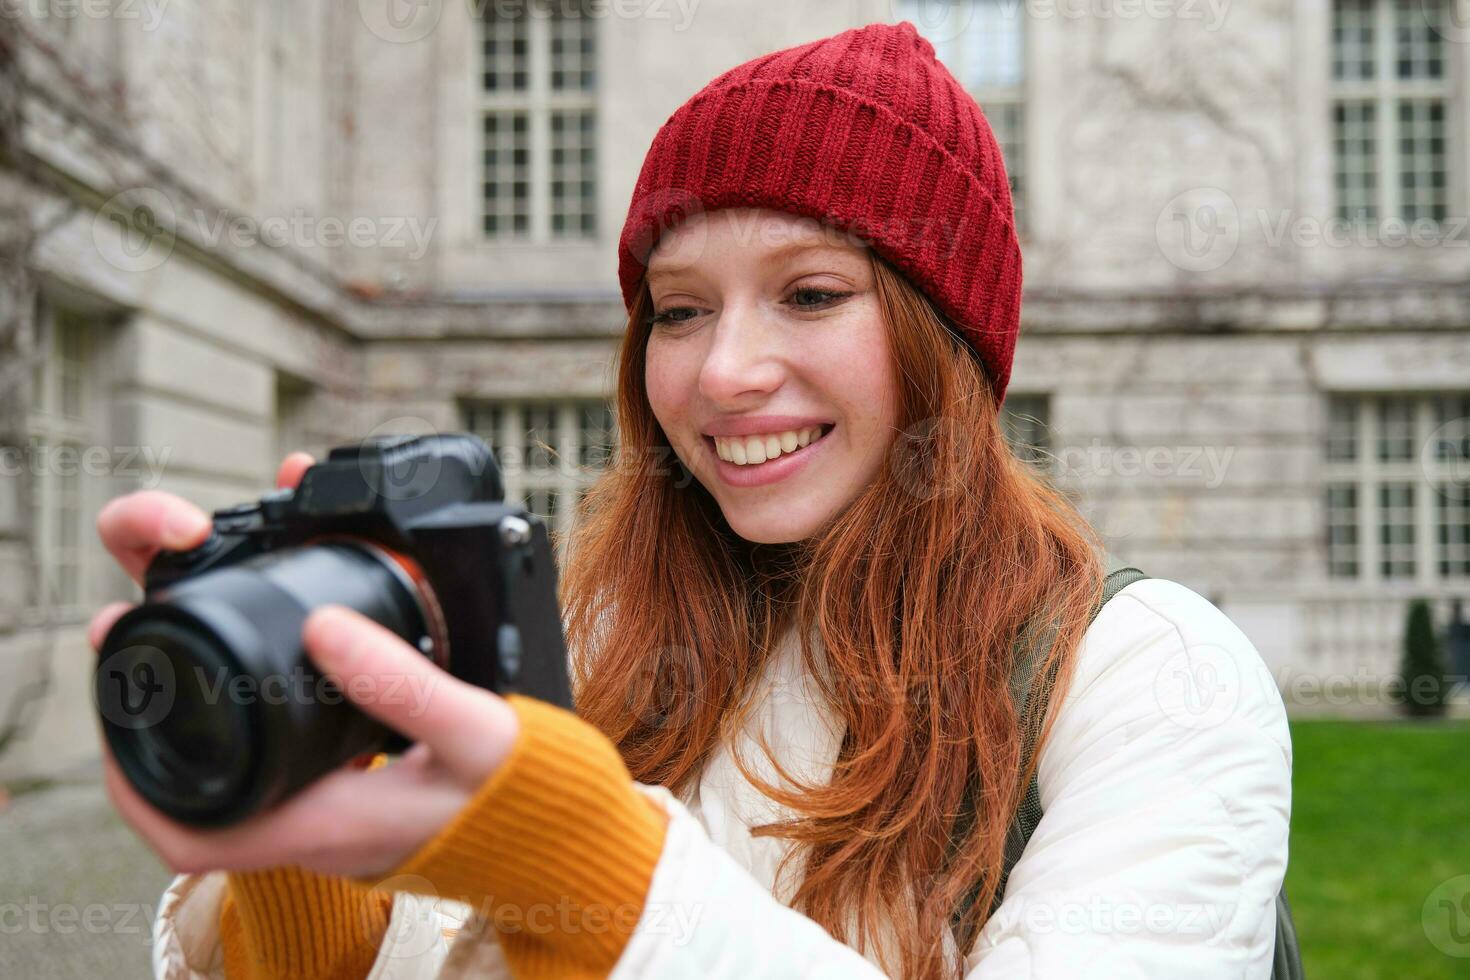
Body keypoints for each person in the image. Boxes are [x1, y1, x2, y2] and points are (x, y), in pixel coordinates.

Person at [92, 20, 1291, 980]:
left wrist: (600, 873)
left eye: (811, 293)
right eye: (677, 308)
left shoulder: (1152, 677)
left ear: (946, 343)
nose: (722, 372)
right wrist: (305, 855)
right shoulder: (592, 631)